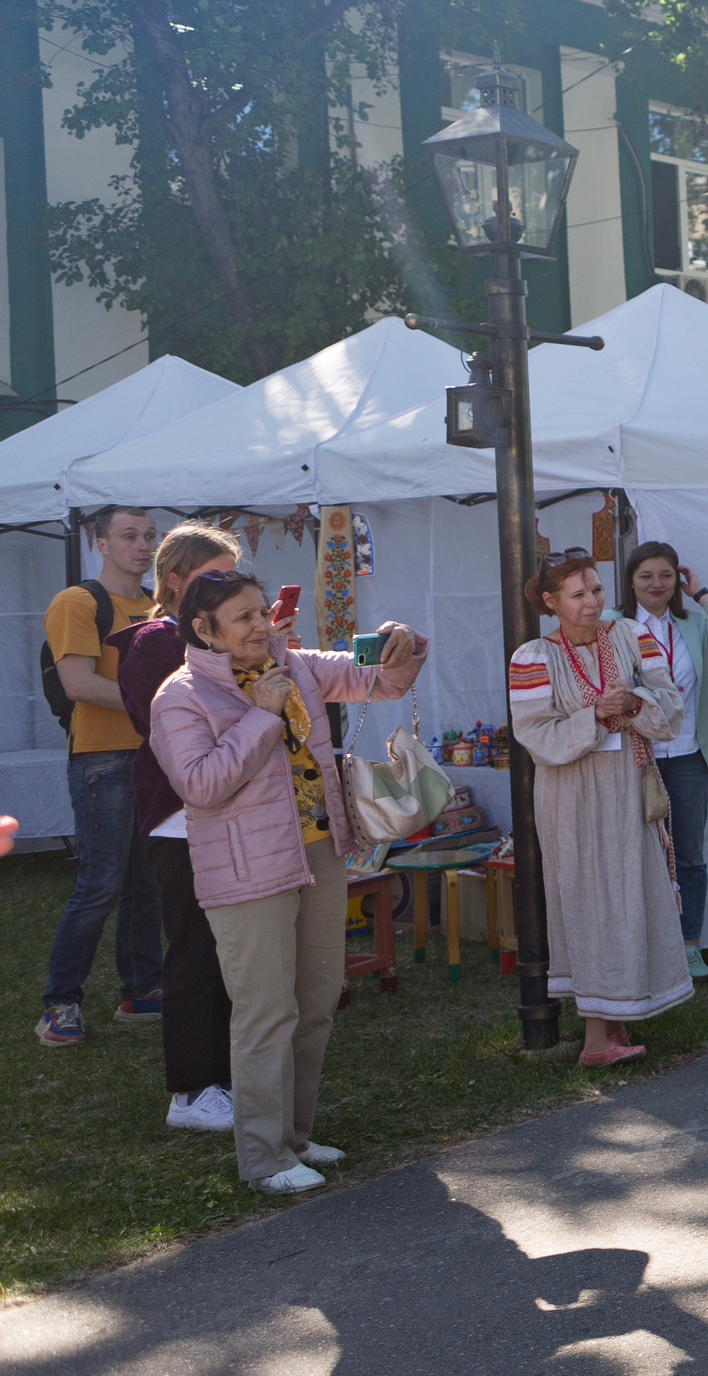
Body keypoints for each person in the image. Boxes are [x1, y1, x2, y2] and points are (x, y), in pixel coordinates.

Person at [152, 571, 425, 1193]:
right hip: (248, 871)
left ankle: (295, 1140)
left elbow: (376, 677)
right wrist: (261, 717)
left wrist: (401, 642)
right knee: (265, 1011)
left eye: (261, 613)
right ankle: (264, 1158)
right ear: (203, 629)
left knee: (317, 1000)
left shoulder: (293, 661)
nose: (261, 626)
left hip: (322, 853)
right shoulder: (180, 696)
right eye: (243, 617)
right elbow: (200, 786)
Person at [509, 555, 694, 1066]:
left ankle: (614, 1025)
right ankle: (595, 1039)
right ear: (551, 604)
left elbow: (670, 704)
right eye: (577, 594)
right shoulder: (532, 657)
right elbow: (536, 737)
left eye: (594, 589)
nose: (592, 602)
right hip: (571, 792)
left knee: (628, 891)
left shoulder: (632, 635)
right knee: (589, 900)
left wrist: (632, 702)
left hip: (626, 783)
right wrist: (596, 714)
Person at [111, 525, 245, 1131]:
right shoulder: (154, 645)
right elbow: (168, 727)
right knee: (194, 951)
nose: (225, 588)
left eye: (231, 576)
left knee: (227, 953)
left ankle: (220, 1078)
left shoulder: (213, 638)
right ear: (174, 580)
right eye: (212, 577)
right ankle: (190, 1092)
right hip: (178, 819)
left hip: (224, 812)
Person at [38, 506, 165, 1046]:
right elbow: (78, 684)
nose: (143, 545)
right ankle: (59, 1005)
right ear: (100, 542)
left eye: (150, 536)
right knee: (99, 885)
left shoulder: (159, 606)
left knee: (147, 884)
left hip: (154, 758)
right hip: (101, 760)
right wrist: (164, 705)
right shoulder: (78, 601)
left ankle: (141, 991)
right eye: (129, 536)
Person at [623, 542, 708, 980]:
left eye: (666, 576)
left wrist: (701, 593)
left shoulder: (690, 624)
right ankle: (646, 947)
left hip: (689, 754)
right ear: (631, 581)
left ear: (677, 580)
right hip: (636, 756)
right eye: (646, 576)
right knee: (637, 855)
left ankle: (689, 945)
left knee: (688, 855)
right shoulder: (616, 626)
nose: (657, 584)